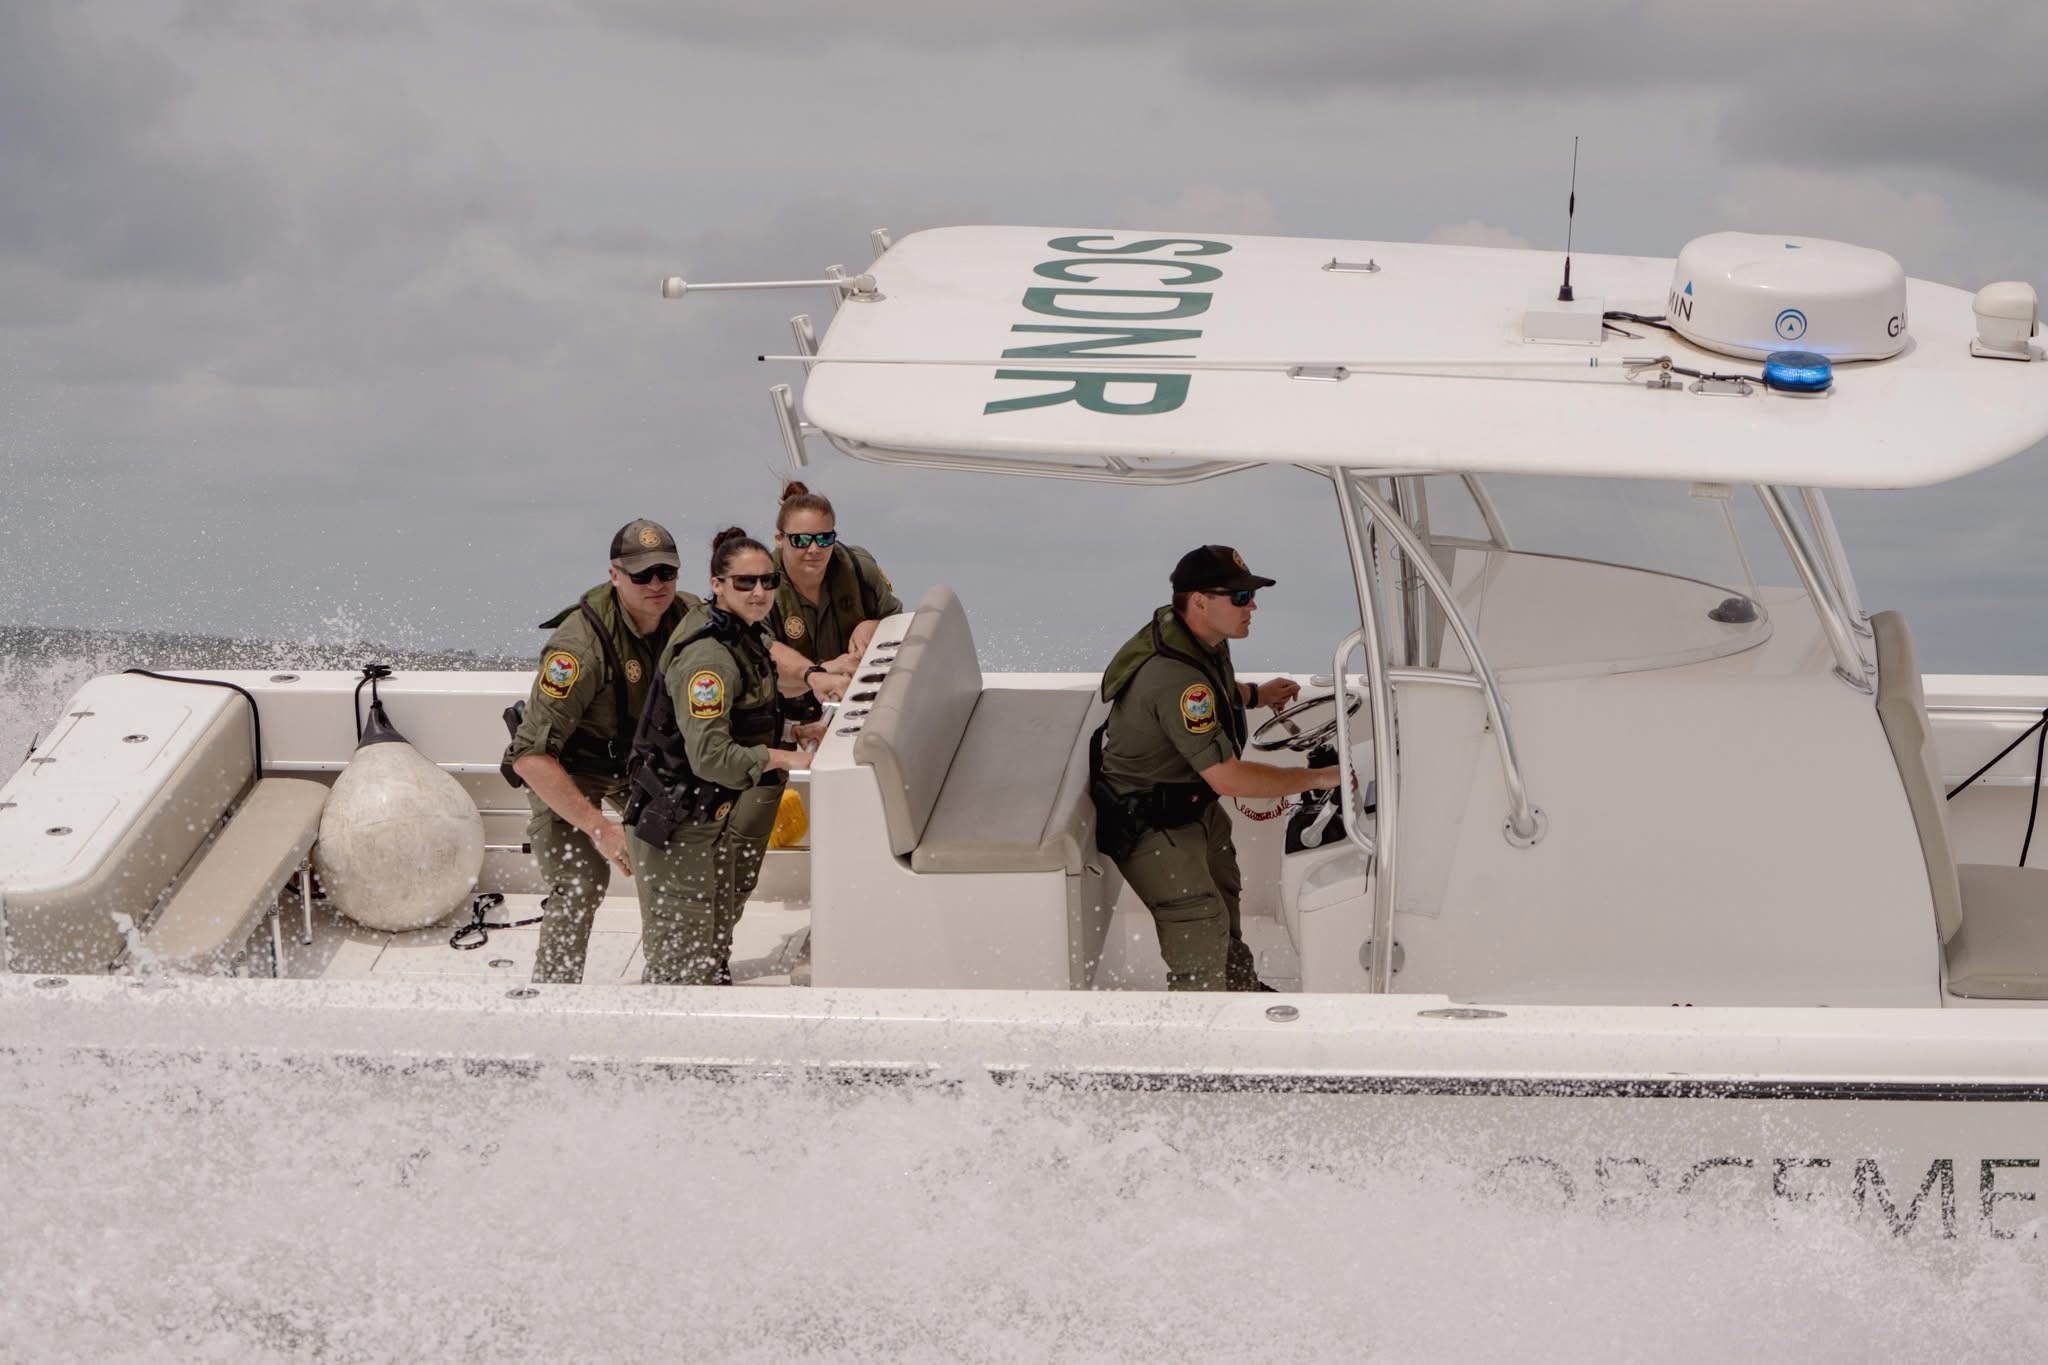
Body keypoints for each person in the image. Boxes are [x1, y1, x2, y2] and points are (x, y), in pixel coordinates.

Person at [1093, 545, 1342, 992]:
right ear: (1200, 601)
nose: (1253, 606)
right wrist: (1322, 778)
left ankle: (1240, 993)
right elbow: (1228, 776)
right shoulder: (1173, 677)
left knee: (1223, 903)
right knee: (1200, 926)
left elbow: (1215, 689)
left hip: (1190, 803)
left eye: (1251, 594)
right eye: (1241, 597)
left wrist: (1254, 696)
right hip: (1150, 820)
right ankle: (1199, 1040)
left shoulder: (1201, 638)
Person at [504, 518, 698, 985]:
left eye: (666, 573)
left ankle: (677, 981)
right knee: (579, 884)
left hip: (642, 765)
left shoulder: (691, 618)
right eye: (641, 575)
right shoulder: (579, 647)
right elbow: (529, 757)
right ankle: (553, 996)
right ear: (615, 575)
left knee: (683, 863)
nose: (656, 584)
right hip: (573, 770)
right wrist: (601, 829)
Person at [624, 528, 821, 984]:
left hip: (709, 820)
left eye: (768, 582)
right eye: (744, 583)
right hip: (678, 829)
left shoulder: (747, 637)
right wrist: (782, 758)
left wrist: (797, 731)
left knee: (711, 955)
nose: (759, 592)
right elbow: (711, 756)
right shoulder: (708, 659)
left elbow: (741, 719)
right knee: (681, 975)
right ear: (717, 585)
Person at [767, 481, 903, 700]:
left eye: (824, 539)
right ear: (780, 540)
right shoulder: (759, 588)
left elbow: (901, 625)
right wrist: (821, 672)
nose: (814, 549)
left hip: (858, 703)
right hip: (786, 716)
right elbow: (755, 663)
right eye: (800, 540)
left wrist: (875, 626)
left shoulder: (859, 569)